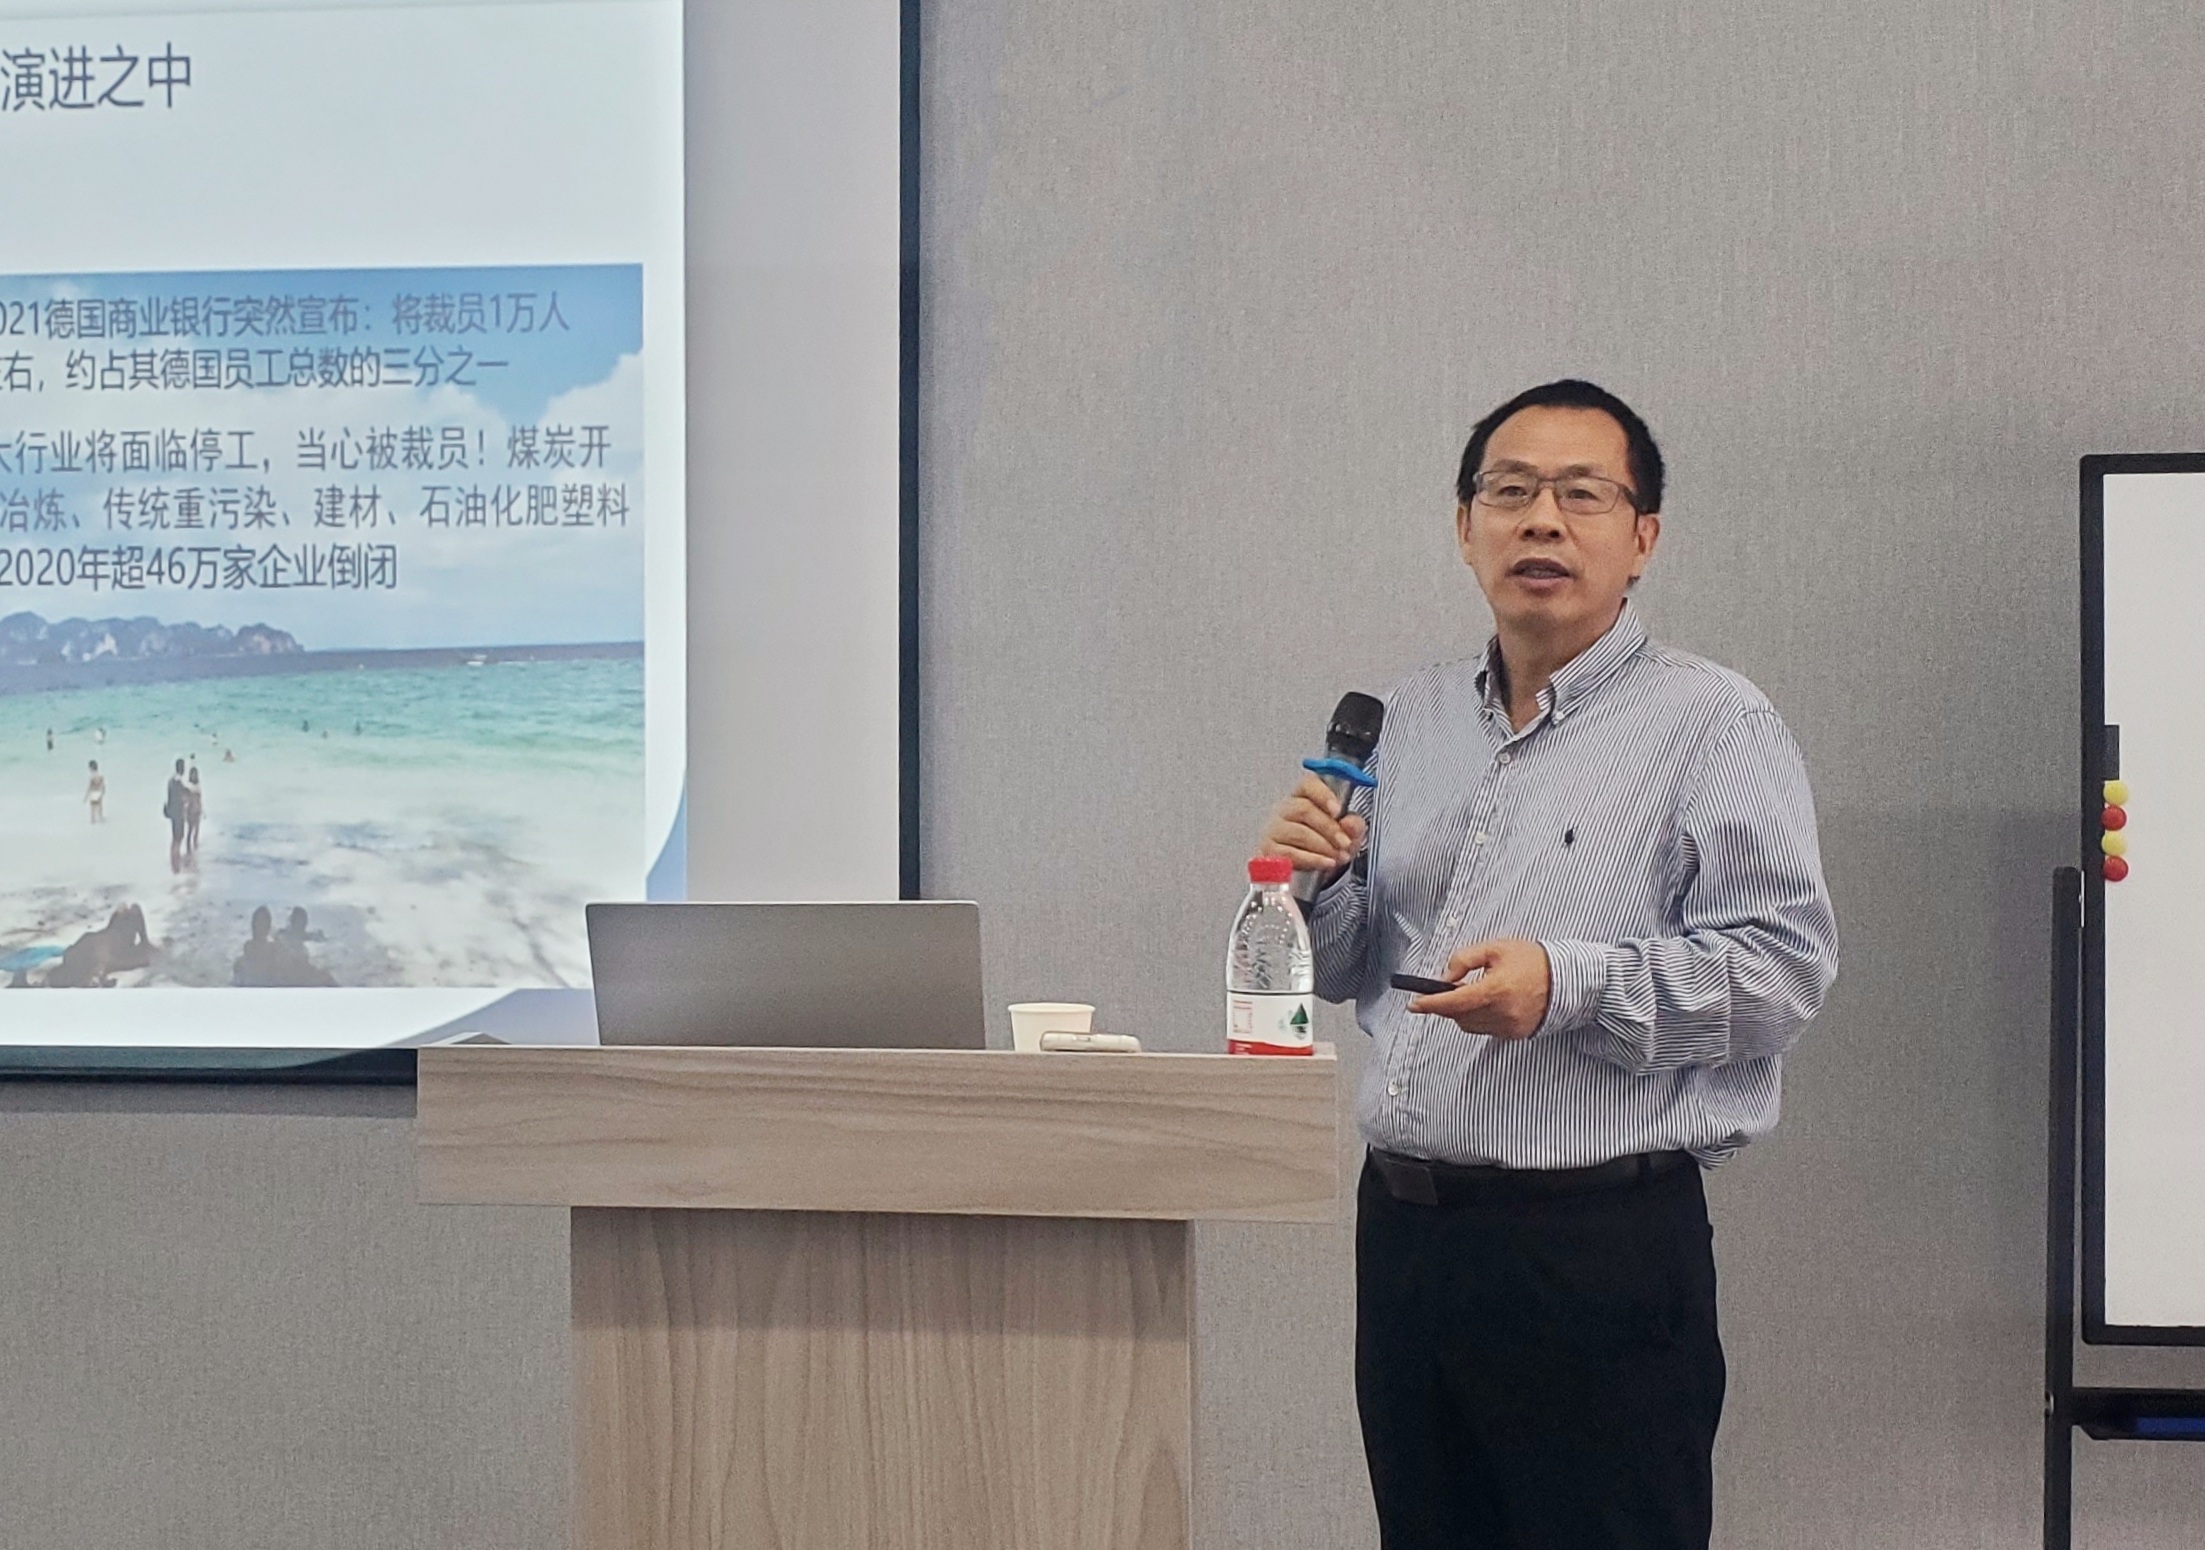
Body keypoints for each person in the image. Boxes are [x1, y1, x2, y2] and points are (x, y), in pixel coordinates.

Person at [1260, 380, 1839, 1550]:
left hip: (1595, 1252)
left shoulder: (1713, 722)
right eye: (1510, 490)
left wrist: (1564, 987)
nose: (1540, 520)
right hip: (1411, 1238)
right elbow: (1346, 966)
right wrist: (1307, 882)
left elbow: (1782, 971)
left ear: (1643, 537)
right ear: (1463, 525)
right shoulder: (1413, 714)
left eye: (1582, 494)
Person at [45, 904, 155, 988]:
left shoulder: (75, 957)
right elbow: (109, 964)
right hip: (96, 950)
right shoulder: (117, 947)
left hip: (92, 948)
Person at [163, 758, 190, 873]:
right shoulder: (178, 782)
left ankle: (173, 861)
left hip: (172, 812)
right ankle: (175, 863)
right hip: (178, 812)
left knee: (175, 838)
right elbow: (182, 795)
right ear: (182, 768)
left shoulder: (171, 780)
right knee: (178, 837)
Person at [184, 764, 203, 856]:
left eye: (195, 774)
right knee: (190, 831)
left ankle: (195, 849)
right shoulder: (188, 786)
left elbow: (199, 799)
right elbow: (186, 800)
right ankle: (189, 850)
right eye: (192, 774)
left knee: (197, 831)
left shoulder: (198, 785)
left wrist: (201, 809)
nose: (194, 775)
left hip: (197, 810)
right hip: (190, 810)